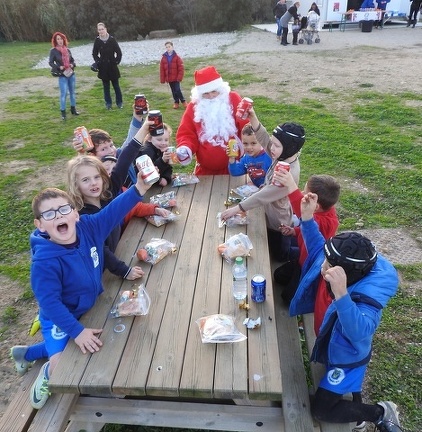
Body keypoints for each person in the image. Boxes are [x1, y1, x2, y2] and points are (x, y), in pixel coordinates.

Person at [10, 172, 152, 409]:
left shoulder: (89, 227)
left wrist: (138, 188)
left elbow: (114, 210)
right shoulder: (44, 261)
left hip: (88, 303)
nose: (59, 216)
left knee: (83, 344)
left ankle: (25, 353)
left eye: (64, 209)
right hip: (59, 316)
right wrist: (77, 331)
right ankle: (46, 372)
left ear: (75, 214)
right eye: (49, 214)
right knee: (62, 365)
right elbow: (50, 304)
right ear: (40, 224)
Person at [289, 192, 401, 432]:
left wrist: (341, 295)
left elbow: (360, 331)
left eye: (329, 266)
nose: (322, 266)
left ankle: (379, 412)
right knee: (344, 390)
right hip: (328, 341)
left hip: (346, 355)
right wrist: (307, 219)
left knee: (321, 410)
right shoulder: (333, 262)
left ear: (346, 275)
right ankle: (355, 411)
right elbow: (318, 246)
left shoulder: (363, 296)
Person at [220, 108, 305, 263]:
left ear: (289, 148)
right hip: (268, 214)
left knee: (279, 254)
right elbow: (265, 138)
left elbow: (264, 195)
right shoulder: (282, 155)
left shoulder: (287, 173)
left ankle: (302, 253)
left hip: (277, 222)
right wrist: (253, 118)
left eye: (276, 146)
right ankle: (297, 238)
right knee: (272, 246)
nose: (271, 148)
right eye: (272, 144)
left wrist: (237, 208)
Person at [272, 172, 340, 333]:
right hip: (301, 258)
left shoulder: (322, 220)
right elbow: (307, 228)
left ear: (315, 206)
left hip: (309, 266)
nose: (302, 195)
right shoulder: (318, 214)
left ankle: (312, 294)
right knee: (278, 276)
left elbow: (304, 216)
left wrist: (290, 186)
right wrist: (294, 231)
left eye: (305, 193)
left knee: (287, 298)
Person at [175, 66, 250, 175]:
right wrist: (185, 148)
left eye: (214, 91)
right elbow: (186, 133)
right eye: (205, 93)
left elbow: (247, 127)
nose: (210, 96)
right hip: (205, 172)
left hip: (236, 167)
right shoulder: (194, 107)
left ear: (220, 88)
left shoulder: (233, 99)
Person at [227, 123, 272, 188]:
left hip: (271, 190)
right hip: (257, 190)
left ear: (261, 142)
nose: (249, 147)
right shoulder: (246, 158)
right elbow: (235, 172)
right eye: (245, 143)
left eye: (253, 143)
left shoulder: (269, 156)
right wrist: (232, 158)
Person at [49, 32, 79, 121]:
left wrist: (72, 64)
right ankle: (63, 112)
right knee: (64, 94)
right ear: (55, 41)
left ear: (64, 40)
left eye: (61, 39)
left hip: (71, 73)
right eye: (58, 39)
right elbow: (50, 62)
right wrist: (59, 67)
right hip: (62, 75)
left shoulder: (67, 50)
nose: (60, 41)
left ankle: (73, 109)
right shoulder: (53, 51)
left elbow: (73, 61)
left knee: (72, 93)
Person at [92, 22, 123, 110]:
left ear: (106, 29)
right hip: (103, 67)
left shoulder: (112, 39)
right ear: (97, 31)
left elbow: (119, 53)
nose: (101, 31)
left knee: (116, 86)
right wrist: (98, 62)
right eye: (99, 30)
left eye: (102, 29)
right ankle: (108, 104)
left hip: (112, 66)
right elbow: (94, 53)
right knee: (106, 87)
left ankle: (119, 102)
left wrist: (116, 62)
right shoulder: (97, 41)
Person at [160, 41, 187, 109]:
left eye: (169, 47)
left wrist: (179, 77)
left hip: (176, 77)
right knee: (173, 91)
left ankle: (183, 101)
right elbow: (162, 69)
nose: (168, 48)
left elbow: (181, 68)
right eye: (166, 47)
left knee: (177, 90)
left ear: (172, 47)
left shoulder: (177, 57)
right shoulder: (164, 57)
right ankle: (176, 102)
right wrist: (163, 79)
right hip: (169, 78)